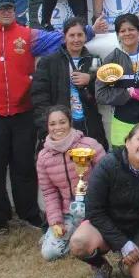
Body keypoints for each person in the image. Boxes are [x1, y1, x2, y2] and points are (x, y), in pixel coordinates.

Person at [0, 0, 102, 235]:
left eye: (9, 8)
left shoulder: (28, 35)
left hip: (22, 111)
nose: (6, 12)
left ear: (15, 11)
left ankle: (29, 213)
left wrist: (89, 30)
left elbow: (62, 38)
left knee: (23, 166)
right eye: (1, 9)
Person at [70, 122, 139, 278]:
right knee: (79, 243)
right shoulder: (107, 165)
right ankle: (101, 266)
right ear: (128, 142)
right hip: (105, 227)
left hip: (137, 232)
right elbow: (94, 211)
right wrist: (123, 244)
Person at [36, 106, 105, 262]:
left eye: (62, 122)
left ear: (70, 122)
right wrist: (55, 221)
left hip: (95, 210)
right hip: (67, 213)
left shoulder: (90, 145)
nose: (58, 127)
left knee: (92, 244)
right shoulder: (43, 157)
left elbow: (109, 177)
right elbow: (49, 192)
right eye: (52, 124)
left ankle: (82, 237)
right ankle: (62, 237)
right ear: (47, 127)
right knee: (49, 253)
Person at [31, 18, 106, 146]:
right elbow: (39, 98)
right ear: (64, 37)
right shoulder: (48, 62)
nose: (76, 39)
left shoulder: (94, 60)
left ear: (85, 36)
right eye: (72, 35)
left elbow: (103, 93)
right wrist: (47, 128)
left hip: (88, 125)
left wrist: (90, 79)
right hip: (60, 126)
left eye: (80, 35)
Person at [95, 14, 139, 148]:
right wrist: (128, 93)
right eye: (122, 31)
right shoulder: (112, 59)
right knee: (121, 160)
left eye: (131, 29)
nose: (127, 33)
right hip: (123, 123)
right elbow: (100, 94)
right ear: (117, 35)